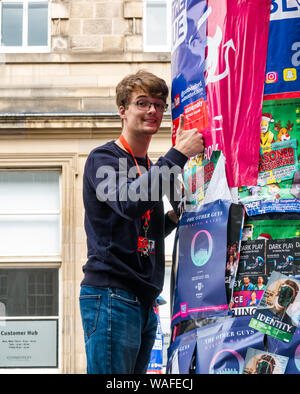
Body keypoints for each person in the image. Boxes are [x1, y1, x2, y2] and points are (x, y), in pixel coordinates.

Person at [79, 70, 205, 374]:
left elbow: (142, 229)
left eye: (159, 105)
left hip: (144, 302)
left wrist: (176, 217)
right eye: (142, 103)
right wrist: (177, 155)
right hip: (111, 295)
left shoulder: (149, 167)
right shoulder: (104, 159)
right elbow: (129, 203)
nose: (153, 111)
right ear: (122, 110)